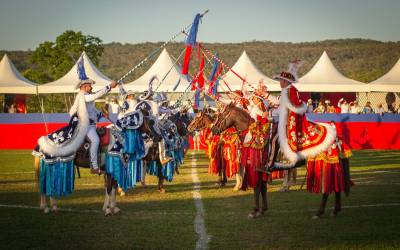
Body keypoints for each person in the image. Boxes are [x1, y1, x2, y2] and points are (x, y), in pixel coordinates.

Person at [272, 60, 336, 167]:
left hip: (291, 121)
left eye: (281, 80)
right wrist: (272, 111)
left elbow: (296, 106)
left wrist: (287, 112)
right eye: (280, 80)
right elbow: (282, 108)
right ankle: (284, 157)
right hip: (286, 120)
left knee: (286, 137)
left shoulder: (290, 90)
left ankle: (291, 158)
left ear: (286, 81)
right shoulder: (286, 91)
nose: (280, 82)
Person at [78, 78, 118, 174]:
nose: (91, 87)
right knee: (95, 140)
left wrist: (102, 114)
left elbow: (93, 110)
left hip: (92, 125)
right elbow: (96, 96)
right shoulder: (82, 96)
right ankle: (94, 166)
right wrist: (109, 87)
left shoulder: (87, 96)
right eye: (90, 86)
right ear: (84, 87)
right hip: (86, 126)